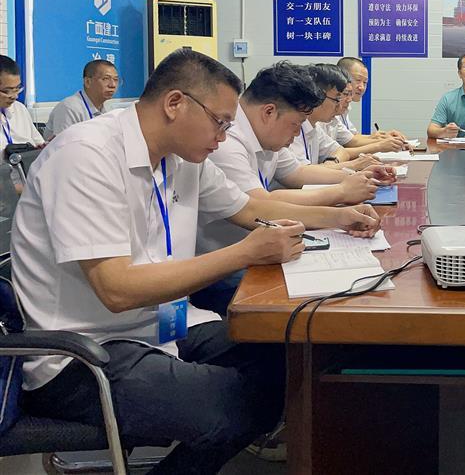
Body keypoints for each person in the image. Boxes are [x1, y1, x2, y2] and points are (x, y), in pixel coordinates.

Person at [12, 49, 326, 474]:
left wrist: (343, 216)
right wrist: (245, 252)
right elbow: (117, 290)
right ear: (175, 103)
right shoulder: (86, 155)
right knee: (233, 406)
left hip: (161, 324)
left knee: (284, 358)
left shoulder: (182, 157)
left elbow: (251, 208)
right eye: (220, 122)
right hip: (85, 353)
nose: (224, 136)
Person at [195, 61, 383, 316]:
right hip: (220, 271)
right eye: (295, 125)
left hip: (255, 254)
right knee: (320, 310)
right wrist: (340, 199)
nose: (296, 135)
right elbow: (259, 208)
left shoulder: (265, 134)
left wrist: (347, 190)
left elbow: (296, 172)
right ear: (269, 112)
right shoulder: (227, 142)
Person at [290, 64, 382, 170]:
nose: (340, 105)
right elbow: (300, 174)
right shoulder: (293, 127)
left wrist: (331, 164)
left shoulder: (314, 126)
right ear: (317, 96)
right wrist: (353, 165)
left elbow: (341, 151)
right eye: (337, 98)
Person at [322, 73, 408, 157]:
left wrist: (386, 140)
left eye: (365, 82)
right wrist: (380, 145)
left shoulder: (334, 117)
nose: (362, 87)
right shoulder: (320, 122)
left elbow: (351, 140)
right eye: (344, 94)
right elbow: (338, 153)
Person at [335, 56, 407, 142]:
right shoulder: (331, 109)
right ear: (342, 78)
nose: (362, 87)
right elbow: (349, 142)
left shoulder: (345, 107)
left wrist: (384, 136)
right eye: (358, 80)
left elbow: (352, 136)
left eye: (365, 82)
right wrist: (383, 142)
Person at [44, 59, 120, 140]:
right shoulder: (69, 108)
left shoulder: (108, 109)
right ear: (87, 82)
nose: (113, 85)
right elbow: (64, 145)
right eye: (106, 79)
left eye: (116, 79)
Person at [0, 54, 44, 151]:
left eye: (17, 89)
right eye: (7, 91)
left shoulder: (20, 109)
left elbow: (38, 142)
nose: (15, 96)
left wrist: (44, 148)